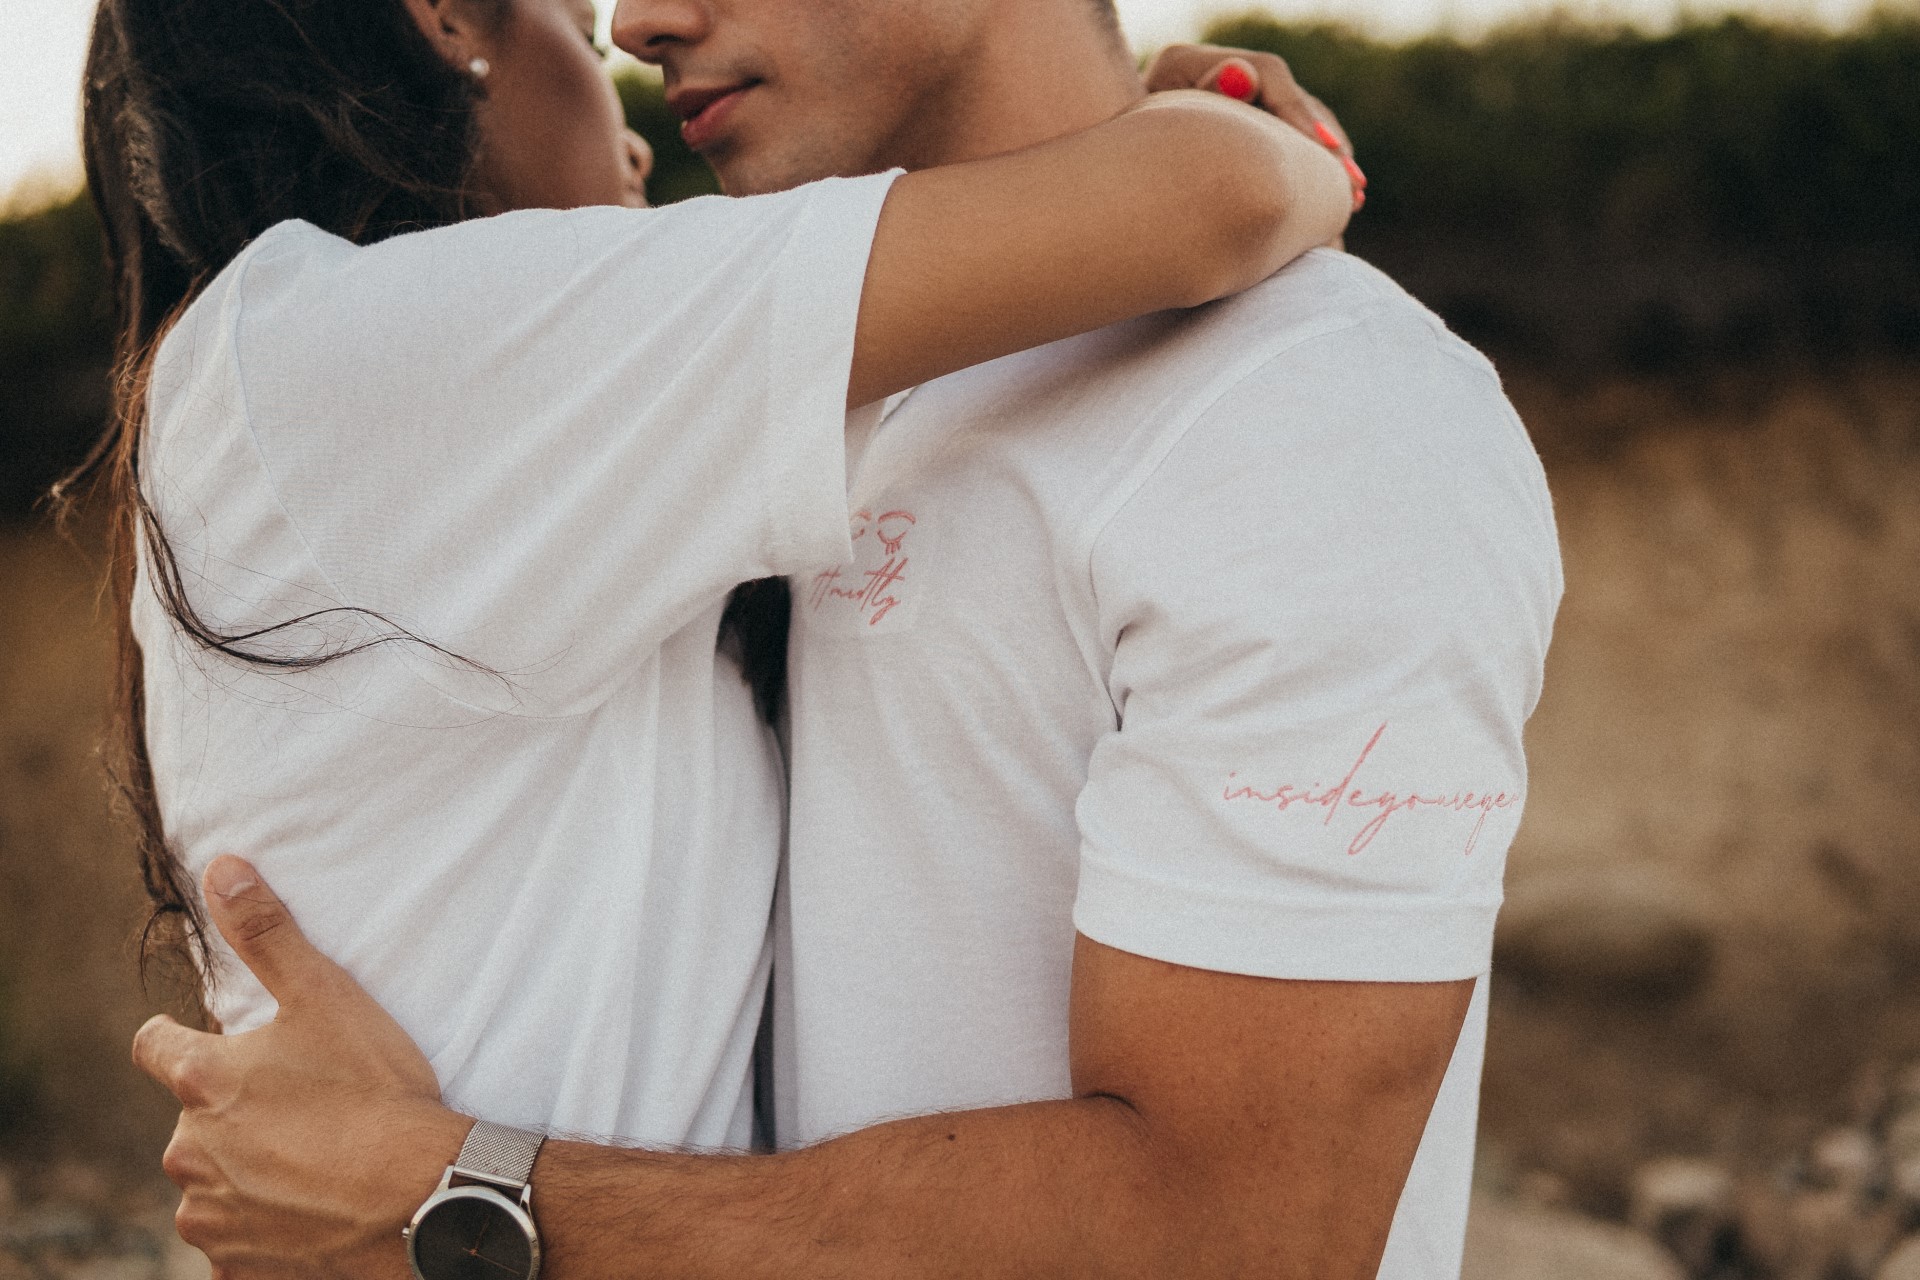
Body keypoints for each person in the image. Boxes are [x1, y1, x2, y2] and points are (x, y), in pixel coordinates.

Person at [130, 0, 1562, 1278]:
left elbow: (1238, 1240)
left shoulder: (1319, 411)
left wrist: (462, 1200)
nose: (635, 25)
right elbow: (1208, 195)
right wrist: (1261, 148)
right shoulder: (449, 378)